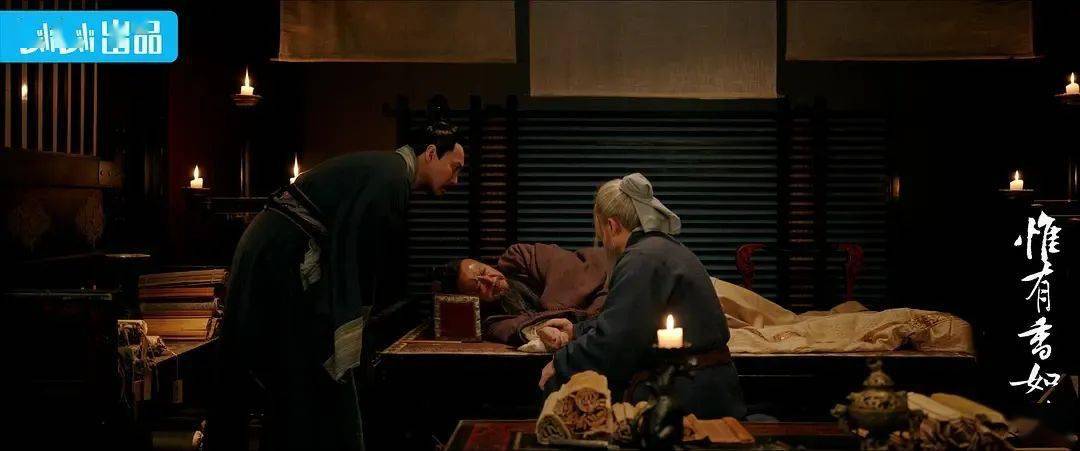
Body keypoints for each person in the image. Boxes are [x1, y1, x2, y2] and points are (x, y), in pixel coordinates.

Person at [207, 120, 465, 451]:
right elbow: (355, 255)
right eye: (455, 168)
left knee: (295, 371)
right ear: (430, 153)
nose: (456, 181)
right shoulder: (392, 177)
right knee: (291, 367)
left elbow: (361, 256)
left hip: (281, 247)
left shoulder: (393, 176)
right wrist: (350, 332)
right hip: (279, 249)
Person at [538, 173, 746, 419]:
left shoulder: (641, 258)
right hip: (708, 386)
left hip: (687, 395)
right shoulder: (660, 248)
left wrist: (561, 362)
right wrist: (576, 330)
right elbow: (632, 323)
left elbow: (616, 344)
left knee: (561, 391)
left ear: (612, 225)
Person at [434, 242, 611, 345]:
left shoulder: (518, 257)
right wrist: (539, 329)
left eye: (483, 271)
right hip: (595, 325)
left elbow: (566, 268)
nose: (490, 281)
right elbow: (515, 329)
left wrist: (554, 309)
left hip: (609, 279)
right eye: (479, 287)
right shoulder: (493, 321)